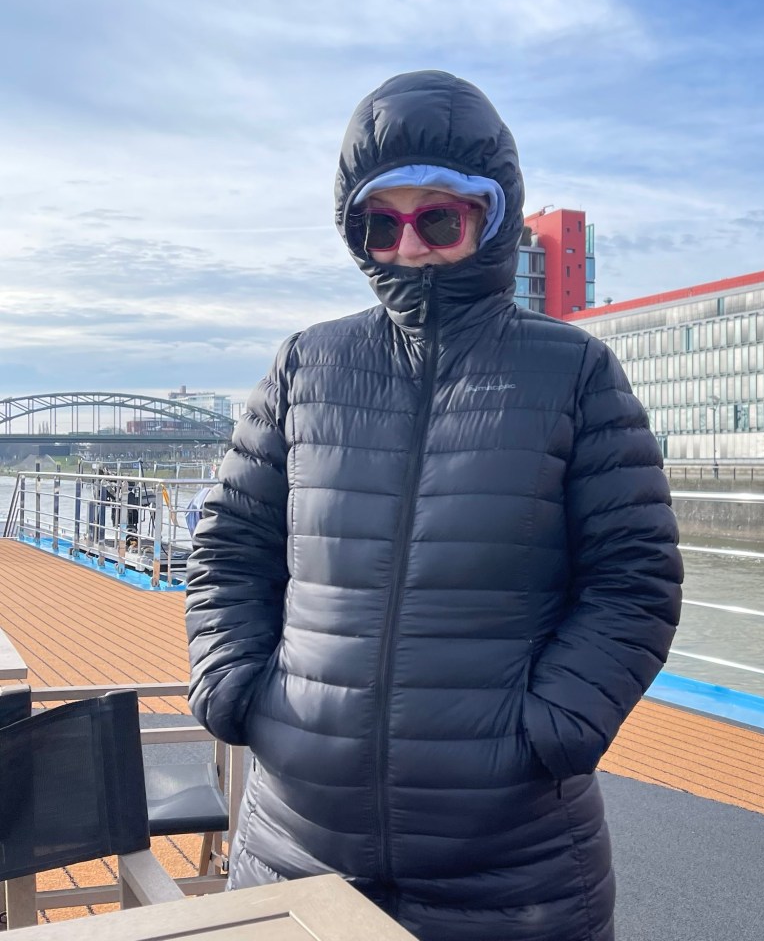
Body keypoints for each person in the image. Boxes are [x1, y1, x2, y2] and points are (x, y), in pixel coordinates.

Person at [186, 70, 683, 941]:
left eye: (439, 220)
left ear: (491, 217)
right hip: (296, 841)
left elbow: (633, 578)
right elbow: (231, 545)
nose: (409, 247)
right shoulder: (306, 365)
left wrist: (554, 729)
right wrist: (238, 688)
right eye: (383, 223)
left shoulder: (573, 371)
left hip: (517, 860)